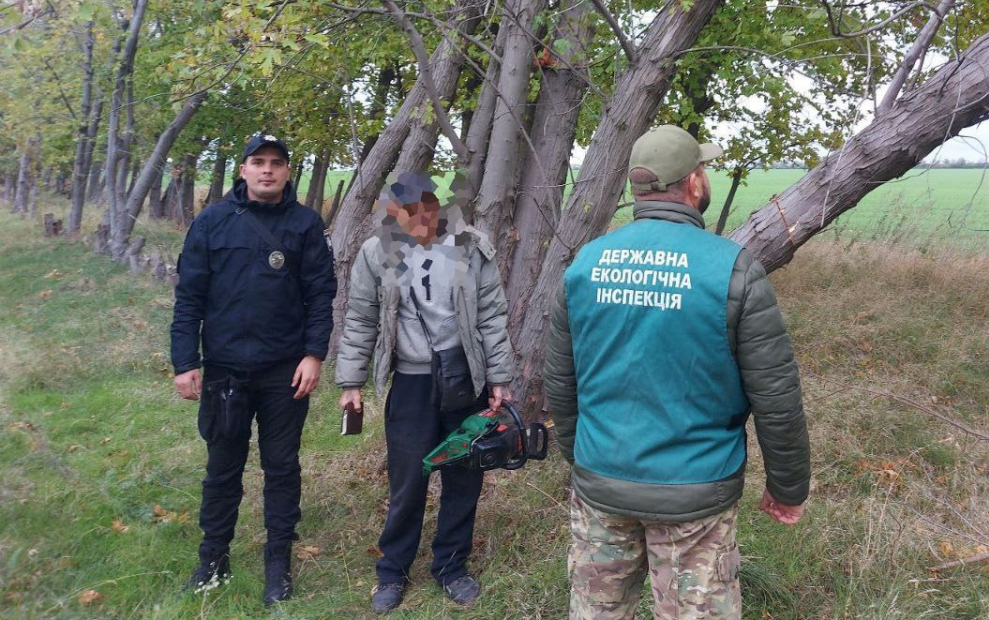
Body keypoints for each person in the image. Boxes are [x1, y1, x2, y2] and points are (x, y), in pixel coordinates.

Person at [544, 124, 811, 620]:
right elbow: (775, 395)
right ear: (692, 184)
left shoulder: (585, 264)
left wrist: (583, 456)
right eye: (703, 170)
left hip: (602, 478)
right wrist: (788, 487)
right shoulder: (731, 268)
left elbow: (560, 382)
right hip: (696, 491)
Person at [336, 172, 516, 614]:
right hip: (411, 383)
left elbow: (492, 316)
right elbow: (360, 319)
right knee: (408, 480)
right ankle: (392, 571)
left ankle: (451, 567)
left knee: (463, 477)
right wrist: (350, 382)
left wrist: (498, 378)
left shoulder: (471, 249)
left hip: (464, 380)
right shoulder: (376, 252)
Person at [170, 133, 336, 605]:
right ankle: (212, 561)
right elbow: (189, 299)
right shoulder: (212, 223)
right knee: (222, 470)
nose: (267, 170)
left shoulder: (305, 226)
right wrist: (186, 362)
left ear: (287, 171)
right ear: (243, 169)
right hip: (224, 371)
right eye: (258, 162)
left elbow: (321, 295)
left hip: (285, 372)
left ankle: (277, 564)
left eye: (276, 163)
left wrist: (314, 354)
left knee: (282, 468)